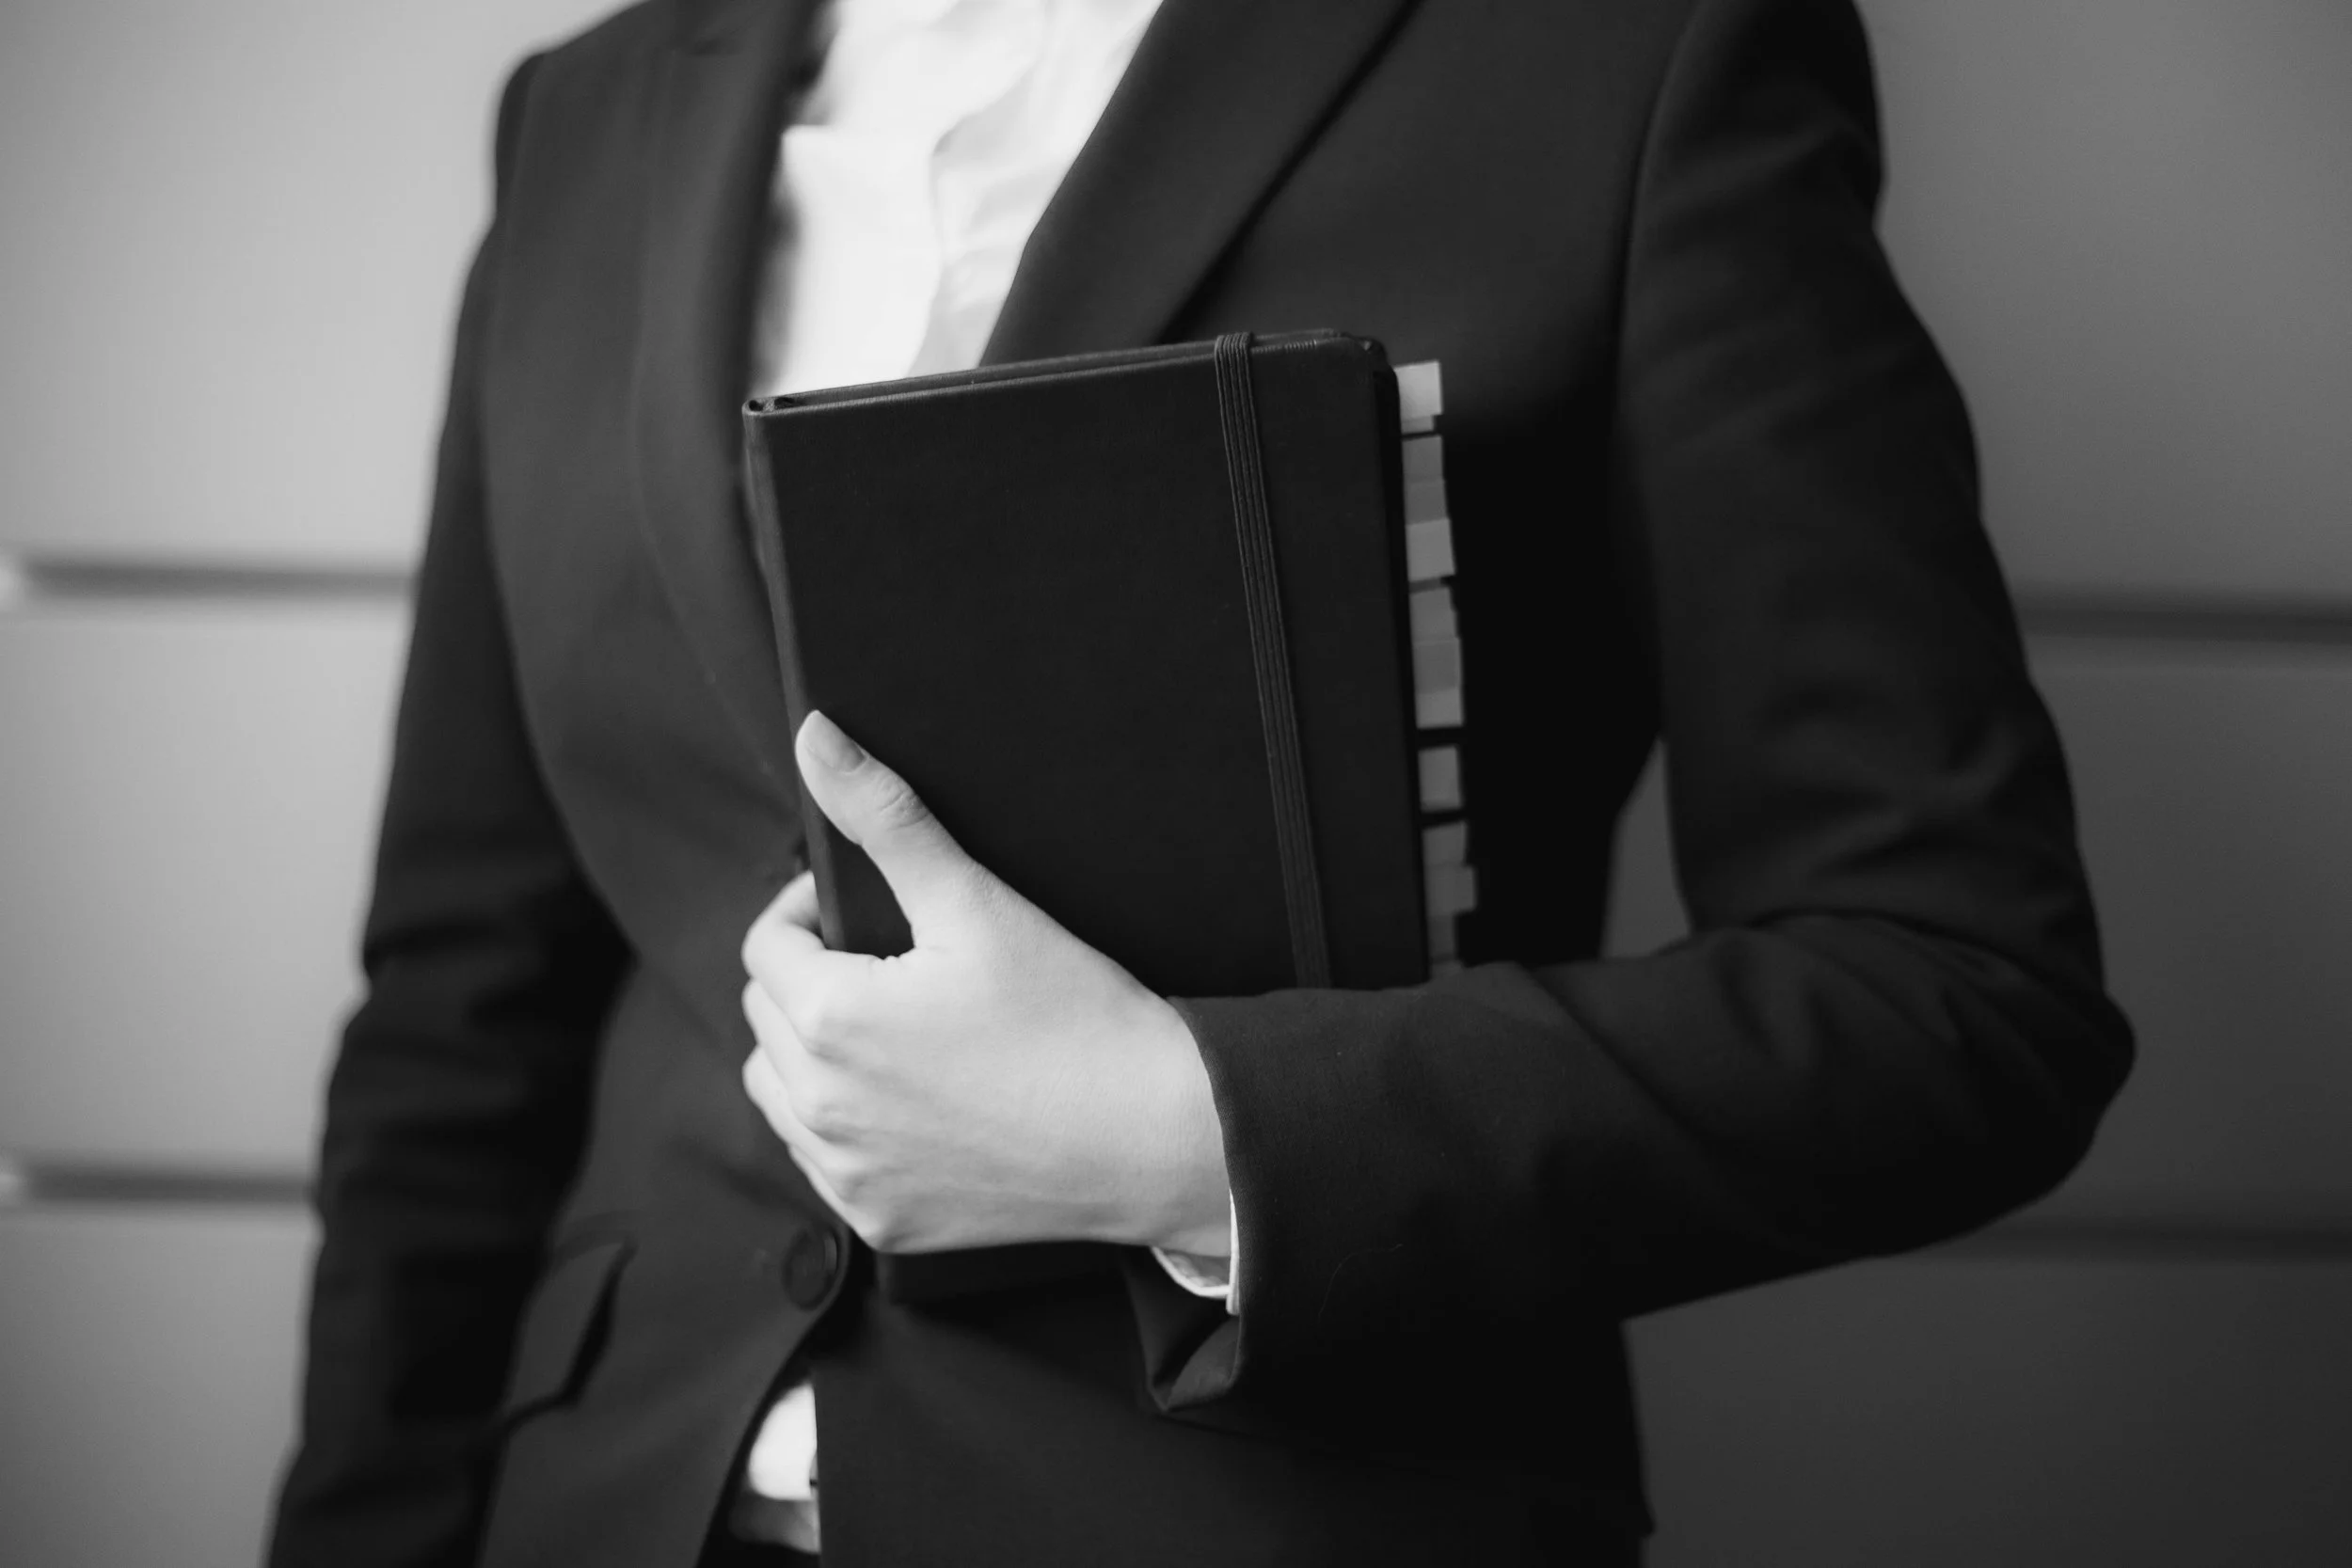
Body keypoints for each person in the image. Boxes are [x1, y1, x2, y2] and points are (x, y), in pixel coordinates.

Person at [265, 0, 2136, 1562]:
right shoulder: (585, 116)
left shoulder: (1616, 52)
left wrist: (1181, 1129)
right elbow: (461, 1013)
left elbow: (1953, 990)